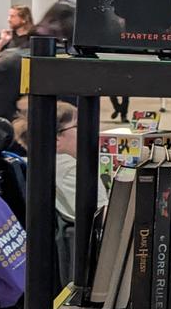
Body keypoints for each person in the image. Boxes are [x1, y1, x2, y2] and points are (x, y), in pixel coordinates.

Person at [13, 101, 107, 285]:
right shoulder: (71, 169)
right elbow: (104, 217)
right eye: (79, 125)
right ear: (57, 139)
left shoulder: (42, 163)